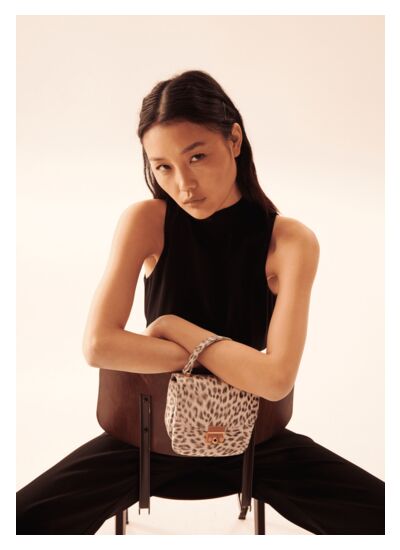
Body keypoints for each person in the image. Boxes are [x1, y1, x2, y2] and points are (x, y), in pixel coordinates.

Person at [16, 69, 385, 535]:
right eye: (163, 167)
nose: (183, 184)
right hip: (145, 441)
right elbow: (98, 346)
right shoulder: (146, 221)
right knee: (19, 521)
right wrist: (229, 361)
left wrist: (173, 327)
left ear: (235, 140)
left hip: (254, 443)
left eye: (197, 156)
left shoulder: (290, 241)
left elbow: (275, 380)